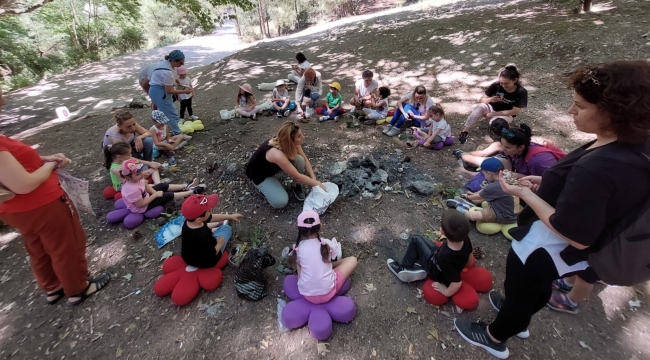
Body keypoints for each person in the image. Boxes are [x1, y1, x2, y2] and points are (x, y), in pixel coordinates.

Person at [454, 61, 650, 359]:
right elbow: (594, 197)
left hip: (546, 245)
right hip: (560, 256)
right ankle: (517, 318)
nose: (571, 111)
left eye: (579, 106)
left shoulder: (601, 166)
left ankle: (495, 336)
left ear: (612, 113)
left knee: (521, 287)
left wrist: (521, 192)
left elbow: (575, 233)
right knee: (534, 288)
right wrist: (545, 182)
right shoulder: (631, 145)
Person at [0, 87, 110, 305]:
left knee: (37, 245)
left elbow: (12, 163)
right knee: (66, 244)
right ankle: (78, 288)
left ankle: (53, 286)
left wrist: (42, 158)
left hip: (17, 210)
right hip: (41, 204)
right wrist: (50, 165)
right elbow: (24, 184)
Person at [386, 210, 473, 298]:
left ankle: (404, 267)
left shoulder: (445, 256)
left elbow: (457, 282)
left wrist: (446, 291)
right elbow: (470, 259)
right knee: (420, 238)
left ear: (442, 232)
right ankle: (418, 266)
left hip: (435, 269)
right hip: (438, 258)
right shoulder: (466, 240)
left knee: (415, 239)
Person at [245, 121, 327, 208]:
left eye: (301, 134)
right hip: (259, 175)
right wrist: (318, 184)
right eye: (299, 136)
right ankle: (264, 189)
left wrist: (313, 177)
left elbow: (305, 160)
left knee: (300, 160)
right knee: (281, 202)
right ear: (290, 141)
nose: (303, 137)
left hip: (273, 167)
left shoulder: (290, 143)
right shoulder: (277, 154)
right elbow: (298, 176)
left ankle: (295, 185)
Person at [288, 210, 358, 304]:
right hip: (328, 291)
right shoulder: (326, 244)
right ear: (320, 226)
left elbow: (299, 262)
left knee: (299, 262)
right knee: (352, 260)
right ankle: (325, 267)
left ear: (300, 230)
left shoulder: (297, 248)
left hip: (307, 294)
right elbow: (335, 255)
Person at [458, 65, 528, 144]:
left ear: (515, 80)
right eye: (502, 83)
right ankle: (465, 130)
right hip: (491, 107)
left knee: (496, 124)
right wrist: (490, 99)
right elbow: (481, 100)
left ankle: (509, 135)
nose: (504, 86)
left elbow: (515, 111)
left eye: (506, 83)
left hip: (506, 114)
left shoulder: (521, 92)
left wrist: (492, 114)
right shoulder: (496, 85)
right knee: (479, 108)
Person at [446, 158, 516, 225]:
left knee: (473, 216)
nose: (485, 177)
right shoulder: (504, 180)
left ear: (489, 173)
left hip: (502, 215)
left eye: (484, 174)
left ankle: (459, 208)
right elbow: (485, 191)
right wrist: (474, 194)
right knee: (484, 199)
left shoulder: (493, 186)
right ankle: (469, 205)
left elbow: (479, 196)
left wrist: (468, 196)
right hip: (504, 207)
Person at [180, 194, 244, 268]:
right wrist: (219, 244)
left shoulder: (187, 223)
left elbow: (211, 217)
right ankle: (219, 225)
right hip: (206, 261)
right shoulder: (204, 235)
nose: (211, 210)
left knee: (208, 228)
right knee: (227, 229)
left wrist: (230, 216)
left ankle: (218, 224)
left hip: (188, 257)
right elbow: (211, 254)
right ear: (199, 219)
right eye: (208, 210)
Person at [119, 159, 204, 214]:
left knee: (161, 185)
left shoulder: (137, 179)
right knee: (166, 195)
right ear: (127, 177)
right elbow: (141, 204)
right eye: (138, 174)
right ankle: (190, 192)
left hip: (146, 197)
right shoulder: (131, 190)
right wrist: (155, 195)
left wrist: (155, 192)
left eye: (141, 171)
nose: (142, 174)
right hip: (143, 207)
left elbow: (146, 186)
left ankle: (185, 186)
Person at [148, 50, 193, 136]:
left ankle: (163, 132)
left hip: (156, 90)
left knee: (163, 113)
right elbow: (170, 90)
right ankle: (178, 133)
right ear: (173, 61)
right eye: (180, 62)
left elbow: (167, 79)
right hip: (160, 92)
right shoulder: (167, 72)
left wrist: (177, 82)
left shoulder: (165, 63)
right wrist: (185, 91)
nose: (182, 64)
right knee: (172, 114)